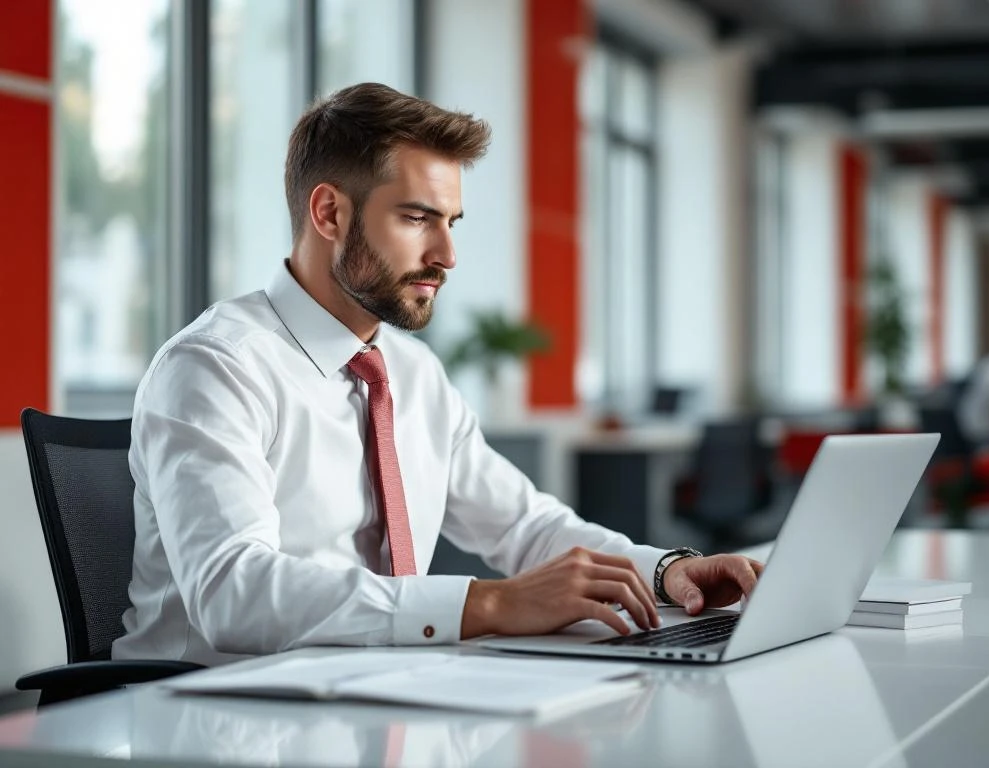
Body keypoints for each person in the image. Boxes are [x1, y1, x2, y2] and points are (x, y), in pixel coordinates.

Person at [113, 83, 762, 666]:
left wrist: (665, 572)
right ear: (330, 213)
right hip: (208, 712)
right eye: (417, 218)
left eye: (450, 223)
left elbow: (523, 526)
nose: (447, 255)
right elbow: (233, 593)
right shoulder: (216, 367)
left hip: (373, 691)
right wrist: (488, 604)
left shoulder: (411, 373)